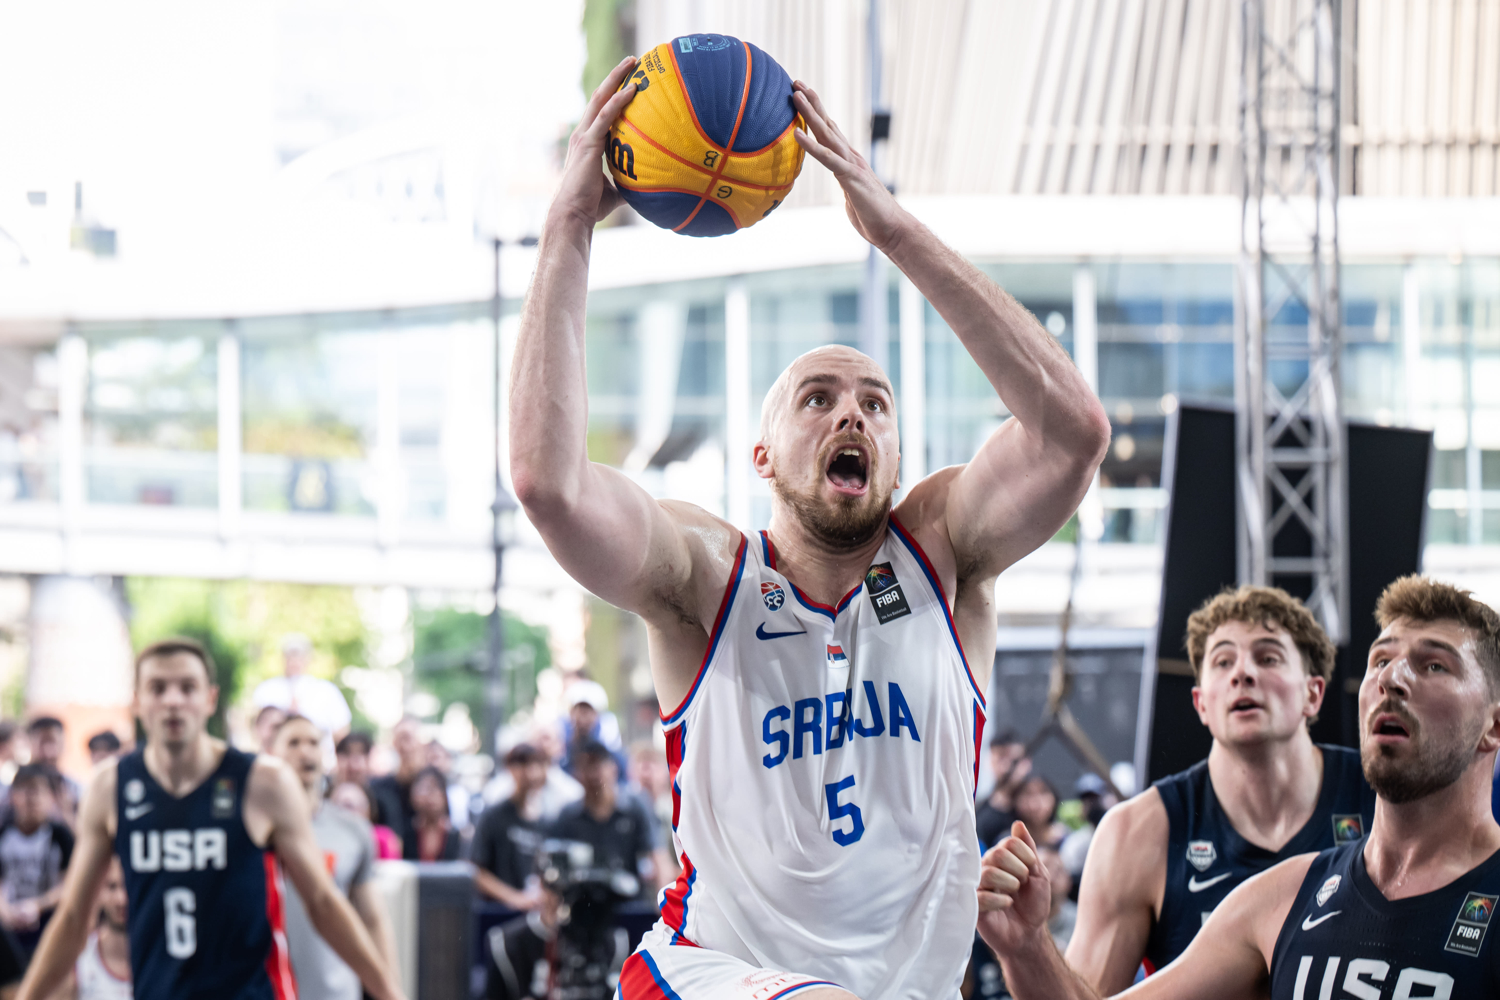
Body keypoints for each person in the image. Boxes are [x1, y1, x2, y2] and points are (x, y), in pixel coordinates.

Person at [510, 55, 1109, 1000]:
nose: (851, 415)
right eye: (818, 399)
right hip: (708, 974)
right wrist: (569, 224)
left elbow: (1074, 434)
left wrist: (895, 231)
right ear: (763, 456)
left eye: (875, 403)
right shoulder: (706, 575)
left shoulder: (945, 551)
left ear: (896, 458)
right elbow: (549, 485)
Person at [977, 575, 1500, 1000]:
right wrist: (1027, 949)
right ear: (1200, 703)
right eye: (1380, 660)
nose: (1392, 678)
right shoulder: (1278, 892)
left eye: (1435, 665)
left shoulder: (1324, 845)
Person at [12, 637, 406, 1000]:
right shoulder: (110, 787)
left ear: (210, 699)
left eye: (187, 688)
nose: (173, 700)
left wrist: (390, 993)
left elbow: (323, 902)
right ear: (137, 702)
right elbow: (73, 917)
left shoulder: (262, 782)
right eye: (158, 688)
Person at [1063, 585, 1375, 992]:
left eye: (1268, 657)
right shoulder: (1136, 831)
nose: (1242, 673)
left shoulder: (1383, 798)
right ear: (1201, 703)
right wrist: (1026, 947)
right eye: (1223, 661)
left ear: (1312, 694)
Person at [272, 714, 398, 1000]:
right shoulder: (257, 832)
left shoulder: (353, 830)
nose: (305, 751)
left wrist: (391, 989)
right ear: (272, 753)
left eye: (313, 742)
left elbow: (373, 919)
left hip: (336, 992)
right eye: (293, 743)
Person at [546, 743, 663, 900]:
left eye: (598, 765)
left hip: (629, 901)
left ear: (613, 768)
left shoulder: (635, 807)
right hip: (582, 902)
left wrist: (663, 904)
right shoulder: (568, 816)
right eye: (585, 766)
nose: (593, 774)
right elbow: (552, 864)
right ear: (576, 774)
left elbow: (659, 855)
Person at [0, 765, 74, 955]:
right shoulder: (4, 834)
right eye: (25, 790)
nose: (31, 799)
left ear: (51, 797)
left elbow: (69, 883)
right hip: (8, 926)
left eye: (38, 791)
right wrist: (5, 910)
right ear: (12, 796)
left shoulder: (61, 835)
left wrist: (38, 905)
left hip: (49, 924)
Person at [471, 744, 547, 911]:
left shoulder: (544, 821)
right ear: (510, 769)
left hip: (533, 911)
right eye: (523, 764)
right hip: (498, 912)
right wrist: (514, 898)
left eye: (536, 764)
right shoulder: (493, 816)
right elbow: (476, 870)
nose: (530, 772)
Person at [250, 634, 353, 749]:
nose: (294, 661)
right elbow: (255, 727)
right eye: (290, 656)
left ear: (309, 658)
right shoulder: (266, 689)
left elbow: (342, 729)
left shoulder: (326, 690)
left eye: (299, 656)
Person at [66, 856, 131, 1000]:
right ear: (98, 891)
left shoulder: (165, 955)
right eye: (112, 887)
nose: (121, 899)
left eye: (128, 886)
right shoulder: (78, 957)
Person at [368, 717, 423, 848]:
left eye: (408, 738)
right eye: (400, 739)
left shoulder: (433, 786)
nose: (405, 746)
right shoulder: (380, 788)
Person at [977, 731, 1032, 850]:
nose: (1007, 766)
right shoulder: (977, 810)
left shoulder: (1039, 805)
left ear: (1027, 762)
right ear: (990, 761)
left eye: (1014, 760)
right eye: (1000, 758)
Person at [25, 719, 79, 824]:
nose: (48, 753)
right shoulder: (10, 794)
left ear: (63, 745)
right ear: (29, 745)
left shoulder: (77, 791)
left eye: (53, 743)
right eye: (41, 743)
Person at [329, 783, 402, 860]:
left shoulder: (381, 840)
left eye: (349, 806)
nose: (346, 813)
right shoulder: (326, 840)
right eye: (339, 806)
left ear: (368, 811)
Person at [404, 766, 462, 863]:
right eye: (425, 789)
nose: (431, 796)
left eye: (436, 788)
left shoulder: (455, 835)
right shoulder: (407, 832)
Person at [1012, 774, 1069, 849]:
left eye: (1043, 792)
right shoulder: (1010, 841)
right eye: (1028, 794)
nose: (1035, 803)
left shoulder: (1069, 839)